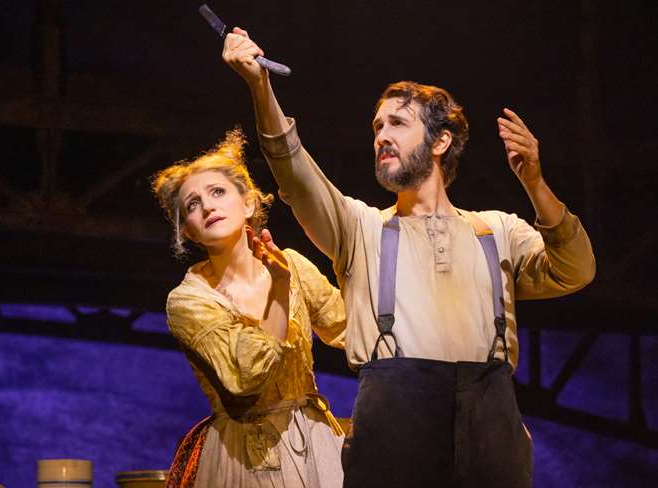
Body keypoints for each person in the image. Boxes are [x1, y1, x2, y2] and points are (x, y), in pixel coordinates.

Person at [221, 28, 596, 487]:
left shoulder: (496, 230)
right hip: (395, 425)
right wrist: (260, 86)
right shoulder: (361, 229)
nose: (381, 135)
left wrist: (535, 184)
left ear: (440, 142)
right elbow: (294, 172)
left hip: (491, 425)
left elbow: (576, 269)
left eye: (397, 123)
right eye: (377, 127)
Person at [152, 129, 347, 488]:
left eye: (217, 192)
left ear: (248, 204)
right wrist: (279, 290)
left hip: (313, 444)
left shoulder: (293, 265)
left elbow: (350, 329)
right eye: (192, 205)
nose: (208, 206)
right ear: (190, 232)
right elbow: (244, 380)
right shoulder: (189, 300)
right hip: (242, 457)